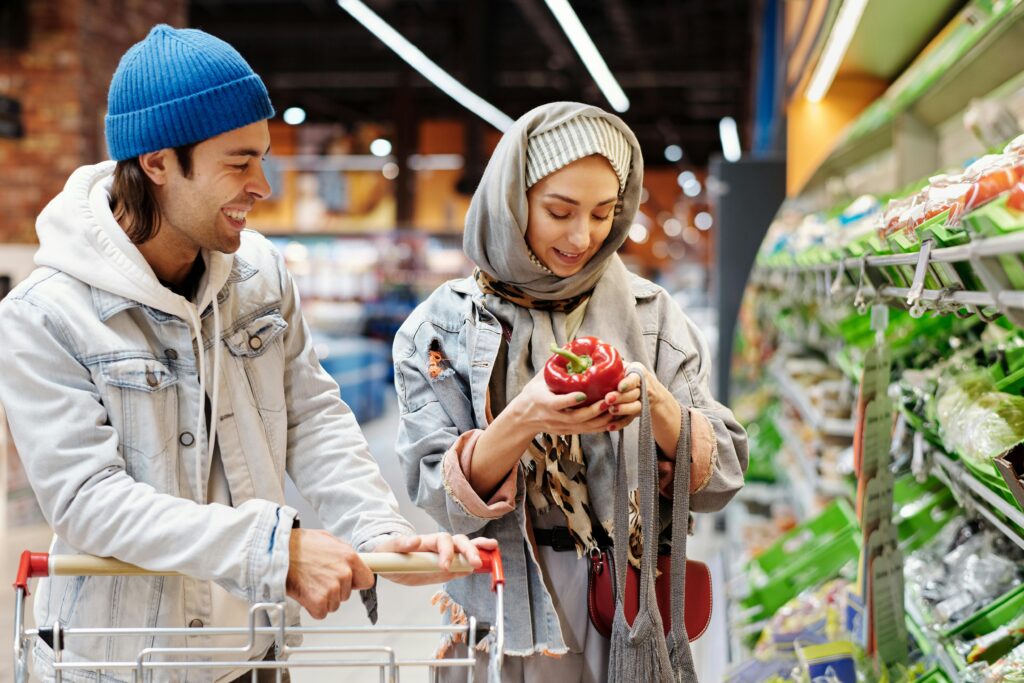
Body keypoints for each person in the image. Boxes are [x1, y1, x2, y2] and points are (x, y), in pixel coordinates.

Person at [0, 25, 493, 682]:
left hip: (251, 654)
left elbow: (312, 416)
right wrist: (275, 549)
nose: (263, 184)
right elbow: (89, 498)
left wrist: (375, 528)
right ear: (157, 163)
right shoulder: (43, 316)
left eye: (262, 157)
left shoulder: (258, 275)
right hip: (120, 659)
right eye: (239, 161)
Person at [393, 102, 748, 681]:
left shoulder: (652, 317)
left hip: (628, 600)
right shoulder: (440, 330)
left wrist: (657, 406)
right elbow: (440, 499)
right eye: (559, 211)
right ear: (513, 203)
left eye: (605, 213)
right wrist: (525, 417)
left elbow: (724, 477)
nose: (583, 236)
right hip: (503, 594)